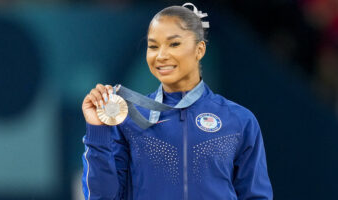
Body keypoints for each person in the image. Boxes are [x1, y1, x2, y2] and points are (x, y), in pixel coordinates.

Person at [81, 3, 273, 200]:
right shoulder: (129, 121)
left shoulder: (239, 120)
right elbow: (102, 197)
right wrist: (97, 130)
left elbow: (255, 196)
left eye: (174, 44)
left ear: (199, 50)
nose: (161, 56)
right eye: (153, 46)